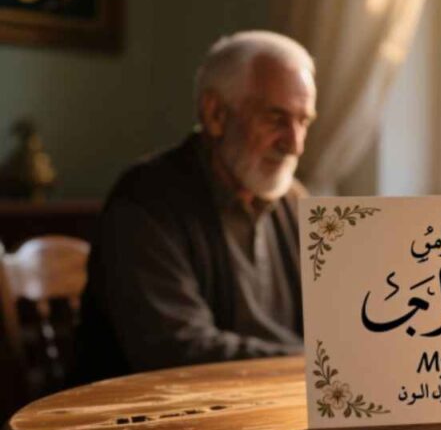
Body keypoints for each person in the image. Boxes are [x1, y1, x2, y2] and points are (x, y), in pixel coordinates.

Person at [75, 31, 316, 380]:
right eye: (276, 118)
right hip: (148, 421)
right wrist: (313, 363)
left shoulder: (294, 201)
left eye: (304, 121)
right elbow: (178, 352)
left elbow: (336, 321)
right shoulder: (145, 200)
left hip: (269, 406)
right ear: (215, 114)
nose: (295, 144)